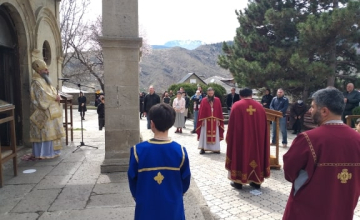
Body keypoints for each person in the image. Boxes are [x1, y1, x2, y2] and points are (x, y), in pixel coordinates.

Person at [283, 87, 360, 220]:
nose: (310, 110)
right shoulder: (357, 139)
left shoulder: (307, 138)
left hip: (308, 210)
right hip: (342, 209)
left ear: (324, 111)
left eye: (313, 107)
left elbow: (289, 172)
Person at [127, 103, 191, 220]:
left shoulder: (138, 151)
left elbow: (132, 179)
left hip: (146, 207)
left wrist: (139, 196)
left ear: (152, 124)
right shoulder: (180, 151)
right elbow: (185, 181)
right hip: (173, 209)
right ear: (172, 124)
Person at [226, 88, 270, 189]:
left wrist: (229, 137)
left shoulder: (236, 106)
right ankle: (256, 181)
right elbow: (265, 127)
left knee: (240, 156)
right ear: (251, 95)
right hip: (257, 141)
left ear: (240, 96)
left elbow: (232, 126)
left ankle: (238, 182)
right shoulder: (260, 107)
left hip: (241, 140)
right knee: (256, 155)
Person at [30, 59, 65, 159]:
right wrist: (55, 97)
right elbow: (42, 96)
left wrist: (56, 95)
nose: (47, 71)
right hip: (43, 112)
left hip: (51, 112)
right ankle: (44, 153)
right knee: (45, 132)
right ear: (39, 71)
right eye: (45, 70)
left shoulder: (46, 81)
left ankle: (52, 152)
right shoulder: (36, 82)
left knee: (52, 132)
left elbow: (52, 91)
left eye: (47, 69)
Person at [196, 87, 224, 154]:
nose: (210, 94)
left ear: (213, 92)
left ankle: (216, 149)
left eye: (211, 93)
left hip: (215, 120)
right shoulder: (204, 100)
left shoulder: (217, 100)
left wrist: (219, 120)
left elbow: (219, 111)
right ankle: (203, 148)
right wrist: (201, 120)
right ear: (207, 93)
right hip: (205, 120)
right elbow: (201, 111)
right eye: (209, 93)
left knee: (216, 134)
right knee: (204, 134)